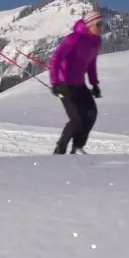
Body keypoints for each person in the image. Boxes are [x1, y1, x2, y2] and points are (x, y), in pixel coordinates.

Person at [49, 11, 104, 154]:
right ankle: (59, 150)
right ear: (90, 25)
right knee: (77, 118)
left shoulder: (96, 42)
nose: (101, 27)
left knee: (91, 114)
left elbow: (91, 64)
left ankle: (77, 147)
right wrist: (56, 82)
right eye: (98, 24)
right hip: (65, 83)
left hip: (80, 84)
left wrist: (94, 84)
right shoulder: (75, 38)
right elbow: (56, 59)